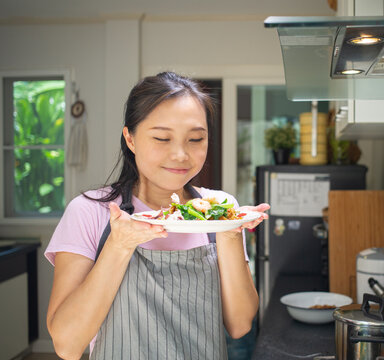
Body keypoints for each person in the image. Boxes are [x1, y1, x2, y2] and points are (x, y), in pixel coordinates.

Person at [45, 72, 269, 360]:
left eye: (196, 139)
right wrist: (119, 246)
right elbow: (66, 345)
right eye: (162, 138)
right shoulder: (90, 211)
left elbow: (239, 325)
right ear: (131, 139)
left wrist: (229, 229)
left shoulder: (219, 208)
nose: (180, 154)